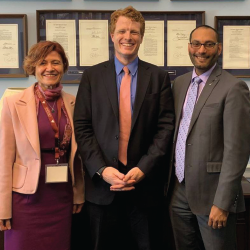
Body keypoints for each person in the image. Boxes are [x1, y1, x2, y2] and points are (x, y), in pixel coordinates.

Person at [74, 6, 174, 250]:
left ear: (141, 36)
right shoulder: (92, 76)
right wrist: (101, 169)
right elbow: (83, 127)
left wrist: (143, 168)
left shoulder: (158, 77)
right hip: (102, 189)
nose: (127, 36)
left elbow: (165, 128)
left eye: (134, 32)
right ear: (112, 35)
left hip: (144, 187)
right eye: (122, 31)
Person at [168, 25, 250, 250]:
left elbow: (237, 151)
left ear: (219, 48)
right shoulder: (180, 84)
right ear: (189, 47)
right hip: (178, 192)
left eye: (208, 44)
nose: (201, 50)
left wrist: (223, 203)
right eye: (196, 44)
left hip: (213, 196)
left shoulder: (234, 88)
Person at [0, 41, 84, 250]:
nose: (49, 68)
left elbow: (78, 154)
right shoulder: (13, 103)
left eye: (55, 62)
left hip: (61, 196)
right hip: (26, 198)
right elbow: (4, 157)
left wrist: (79, 193)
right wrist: (3, 207)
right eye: (43, 63)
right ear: (33, 67)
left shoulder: (74, 103)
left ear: (63, 67)